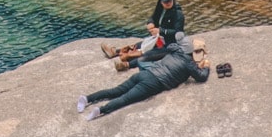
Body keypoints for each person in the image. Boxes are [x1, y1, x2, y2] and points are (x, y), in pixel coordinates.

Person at [78, 37, 210, 119]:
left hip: (145, 73)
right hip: (154, 83)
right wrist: (206, 66)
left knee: (116, 90)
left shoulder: (176, 51)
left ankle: (87, 98)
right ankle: (100, 110)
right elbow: (202, 77)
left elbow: (171, 45)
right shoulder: (190, 65)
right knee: (125, 99)